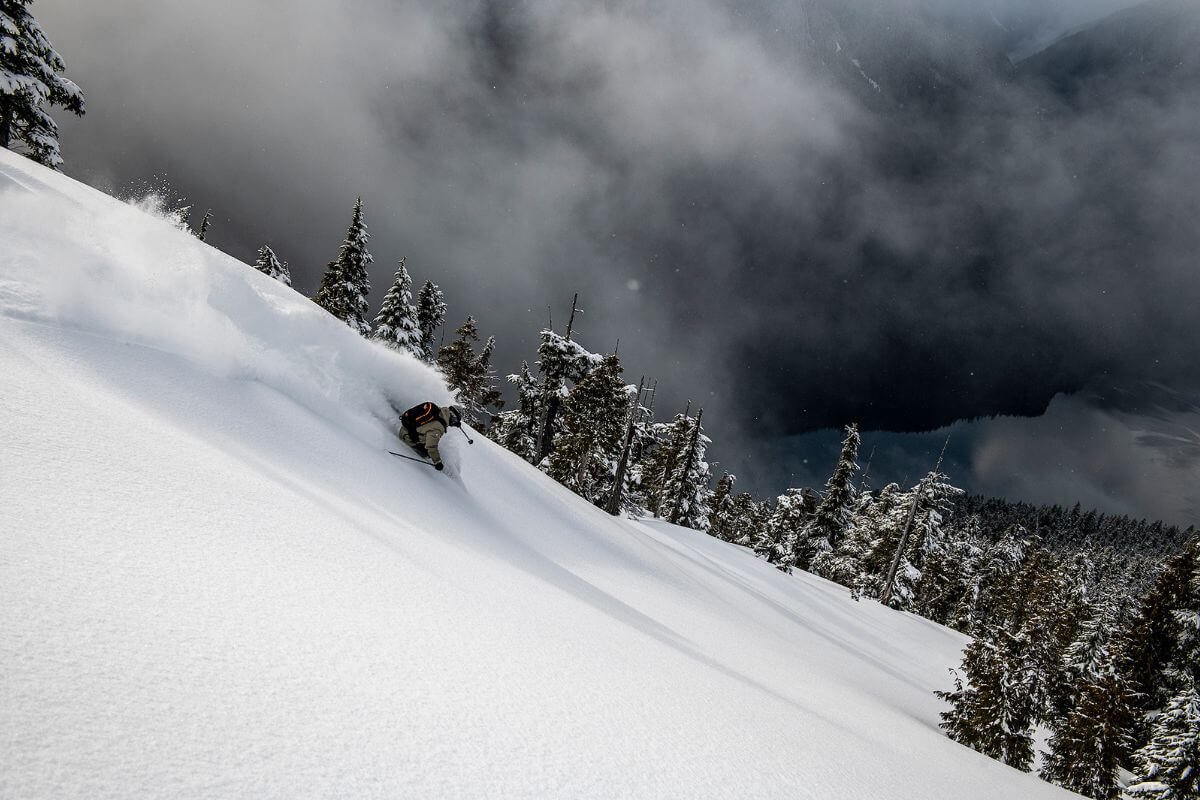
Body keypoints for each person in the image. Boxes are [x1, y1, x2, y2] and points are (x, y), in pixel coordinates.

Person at [399, 402, 463, 471]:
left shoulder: (439, 411)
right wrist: (437, 462)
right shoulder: (439, 427)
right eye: (455, 420)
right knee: (427, 453)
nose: (453, 422)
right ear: (453, 417)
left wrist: (455, 423)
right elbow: (431, 446)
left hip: (406, 428)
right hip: (406, 437)